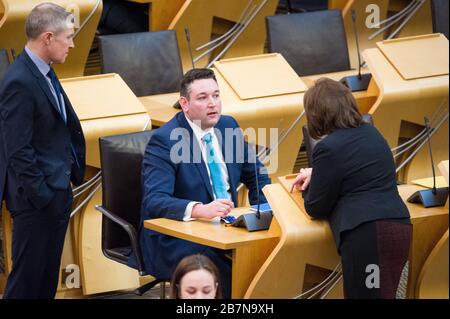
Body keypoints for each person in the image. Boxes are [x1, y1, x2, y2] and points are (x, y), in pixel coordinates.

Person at [138, 68, 271, 299]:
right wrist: (201, 209)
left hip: (227, 229)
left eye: (216, 95)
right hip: (179, 237)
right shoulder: (165, 140)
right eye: (203, 97)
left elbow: (257, 177)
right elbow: (155, 201)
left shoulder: (228, 126)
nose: (213, 104)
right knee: (227, 266)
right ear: (184, 103)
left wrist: (264, 214)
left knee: (269, 253)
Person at [290, 78, 411, 299]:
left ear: (316, 114)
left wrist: (308, 186)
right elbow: (356, 171)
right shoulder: (373, 135)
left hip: (368, 239)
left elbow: (316, 206)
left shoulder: (328, 148)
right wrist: (318, 173)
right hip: (399, 229)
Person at [0, 3, 86, 299]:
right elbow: (18, 150)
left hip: (55, 191)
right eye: (68, 37)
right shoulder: (19, 82)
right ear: (48, 37)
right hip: (36, 201)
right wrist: (44, 196)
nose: (73, 44)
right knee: (26, 284)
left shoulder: (45, 70)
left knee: (45, 283)